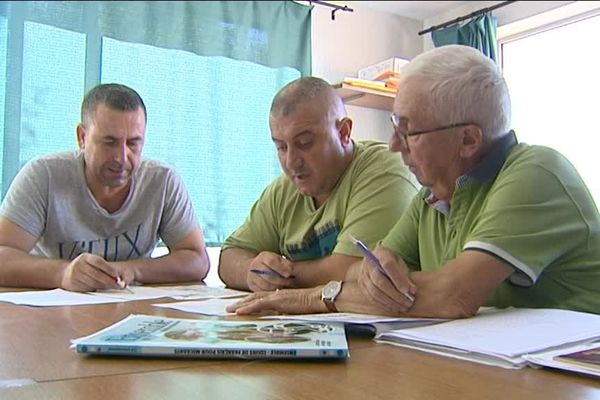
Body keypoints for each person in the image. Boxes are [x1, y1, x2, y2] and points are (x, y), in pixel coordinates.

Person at [227, 45, 600, 317]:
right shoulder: (431, 199)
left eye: (408, 131)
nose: (392, 145)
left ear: (468, 139)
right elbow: (361, 275)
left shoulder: (537, 172)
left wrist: (312, 297)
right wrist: (372, 277)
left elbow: (451, 295)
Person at [0, 83, 209, 292]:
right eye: (109, 142)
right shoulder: (44, 175)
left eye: (133, 143)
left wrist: (132, 270)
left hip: (130, 310)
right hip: (52, 311)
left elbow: (197, 260)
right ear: (82, 137)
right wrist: (63, 274)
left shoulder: (162, 181)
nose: (121, 157)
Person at [218, 77, 418, 292]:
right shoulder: (284, 189)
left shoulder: (384, 169)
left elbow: (351, 271)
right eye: (282, 147)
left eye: (304, 143)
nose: (291, 162)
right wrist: (251, 271)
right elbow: (229, 257)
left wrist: (280, 275)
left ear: (343, 133)